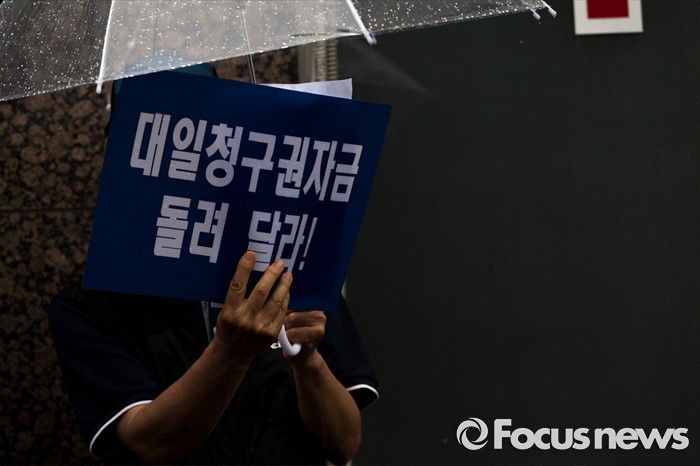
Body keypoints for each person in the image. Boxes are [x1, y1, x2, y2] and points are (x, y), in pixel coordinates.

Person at [49, 251, 378, 464]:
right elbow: (152, 443)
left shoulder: (294, 281)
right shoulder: (95, 305)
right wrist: (229, 353)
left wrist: (307, 361)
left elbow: (343, 444)